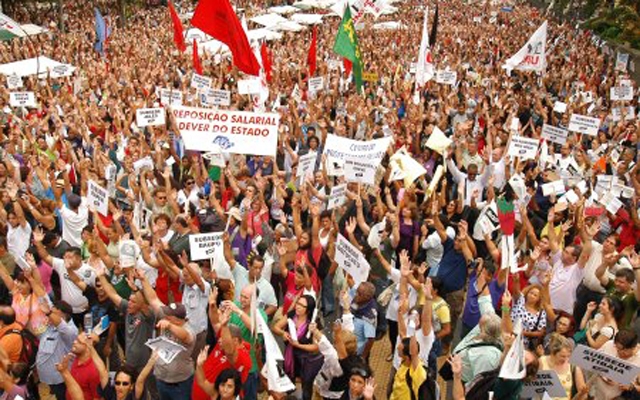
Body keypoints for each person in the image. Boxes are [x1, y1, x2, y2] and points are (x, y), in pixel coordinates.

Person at [272, 294, 322, 400]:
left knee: (306, 388)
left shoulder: (313, 323)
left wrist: (299, 345)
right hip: (290, 356)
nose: (297, 306)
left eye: (302, 305)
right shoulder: (292, 315)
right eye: (298, 303)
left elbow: (316, 347)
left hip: (305, 359)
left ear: (308, 310)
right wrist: (283, 333)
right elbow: (275, 327)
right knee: (288, 384)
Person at [35, 300, 78, 400]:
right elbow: (37, 335)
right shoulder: (49, 326)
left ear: (63, 316)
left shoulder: (70, 331)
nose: (49, 316)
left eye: (53, 314)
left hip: (60, 379)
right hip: (49, 378)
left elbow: (63, 328)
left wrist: (48, 313)